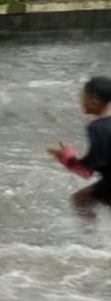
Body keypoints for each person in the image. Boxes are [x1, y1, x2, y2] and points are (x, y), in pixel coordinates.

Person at [48, 76, 111, 222]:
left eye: (84, 96)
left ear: (95, 100)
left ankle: (92, 241)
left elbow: (87, 170)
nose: (81, 100)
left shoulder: (97, 127)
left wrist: (67, 157)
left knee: (80, 200)